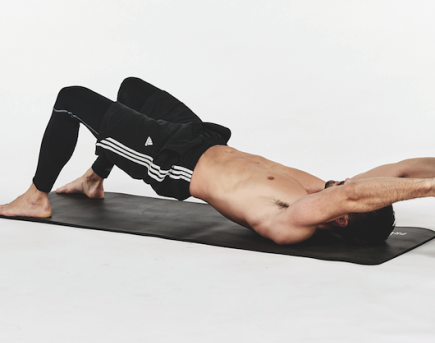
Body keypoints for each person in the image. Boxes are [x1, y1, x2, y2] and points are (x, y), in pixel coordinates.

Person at [1, 77, 435, 246]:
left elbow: (360, 194)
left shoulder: (293, 220)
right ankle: (94, 178)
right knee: (131, 89)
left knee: (70, 99)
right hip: (197, 138)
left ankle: (35, 197)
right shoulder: (323, 189)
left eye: (346, 196)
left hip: (170, 161)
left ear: (342, 218)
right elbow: (400, 171)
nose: (345, 184)